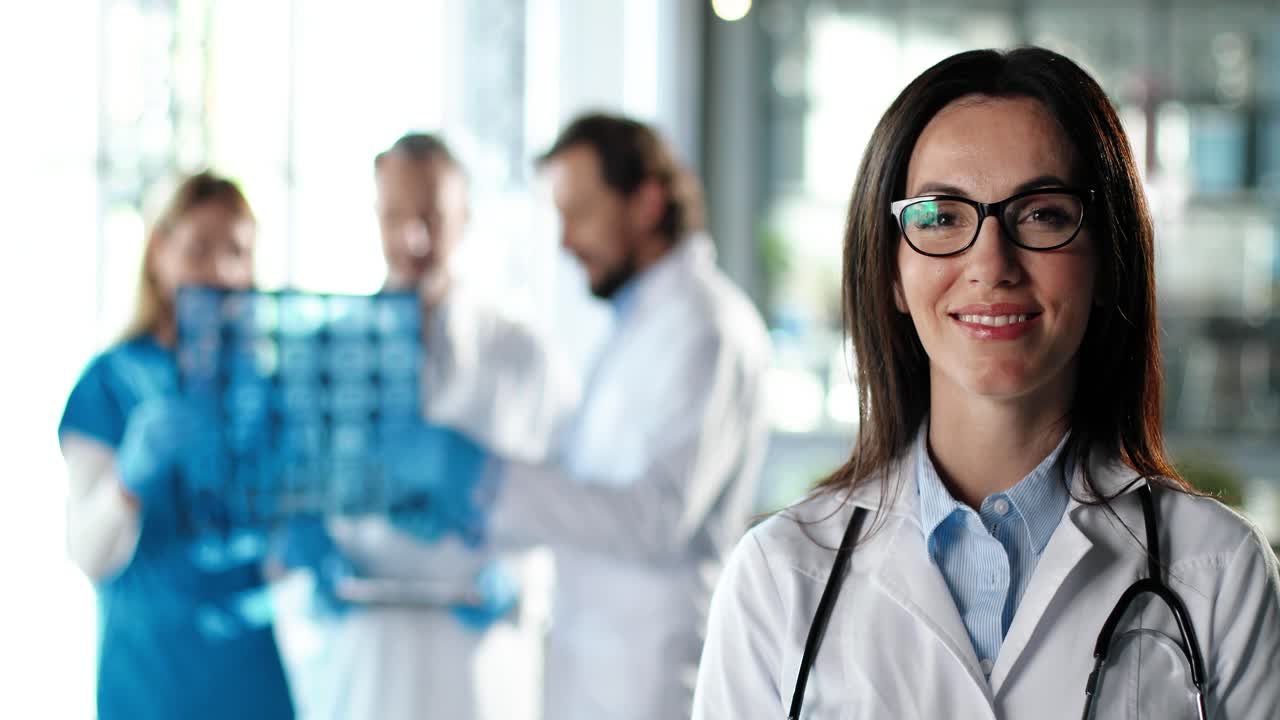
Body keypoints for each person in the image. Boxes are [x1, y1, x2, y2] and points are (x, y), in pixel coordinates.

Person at [692, 47, 1280, 719]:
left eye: (1042, 214)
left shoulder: (1219, 569)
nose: (991, 263)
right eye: (942, 216)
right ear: (891, 273)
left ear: (1108, 261)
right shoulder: (779, 575)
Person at [422, 113, 773, 720]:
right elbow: (584, 489)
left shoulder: (706, 330)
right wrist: (476, 524)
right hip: (593, 673)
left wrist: (487, 478)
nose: (564, 241)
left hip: (652, 681)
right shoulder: (635, 324)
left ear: (647, 203)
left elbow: (656, 517)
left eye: (579, 213)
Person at [278, 133, 552, 720]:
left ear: (467, 218)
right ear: (374, 217)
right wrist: (302, 543)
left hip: (473, 654)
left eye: (432, 216)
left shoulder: (521, 353)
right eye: (396, 216)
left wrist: (516, 577)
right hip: (362, 655)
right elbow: (289, 488)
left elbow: (564, 502)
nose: (415, 238)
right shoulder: (327, 352)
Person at [58, 172, 296, 719]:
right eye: (199, 249)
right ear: (158, 253)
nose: (219, 271)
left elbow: (276, 548)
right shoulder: (108, 384)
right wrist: (126, 481)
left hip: (252, 683)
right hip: (149, 685)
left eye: (237, 252)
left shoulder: (265, 388)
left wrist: (308, 545)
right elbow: (87, 553)